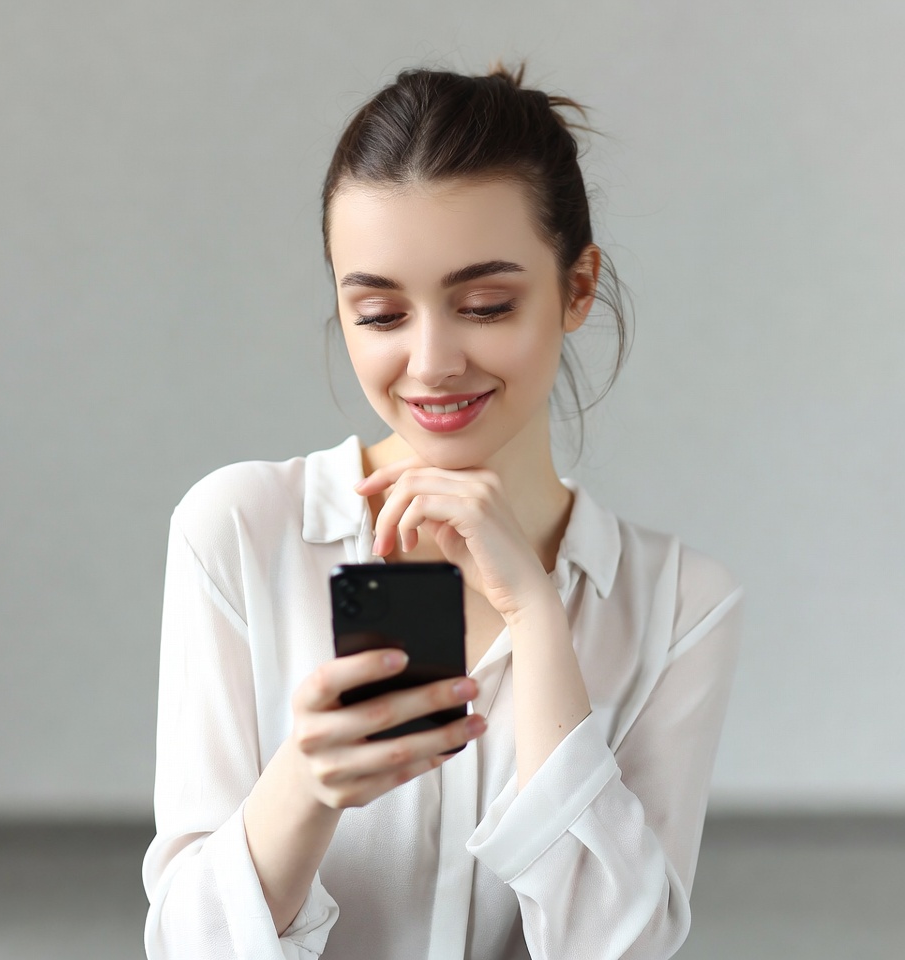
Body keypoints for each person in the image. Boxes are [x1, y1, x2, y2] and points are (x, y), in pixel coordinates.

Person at [142, 64, 743, 960]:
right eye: (380, 313)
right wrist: (304, 785)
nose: (431, 363)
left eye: (485, 306)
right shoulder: (242, 530)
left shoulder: (679, 602)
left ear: (579, 288)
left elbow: (618, 949)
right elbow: (189, 946)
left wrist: (538, 617)